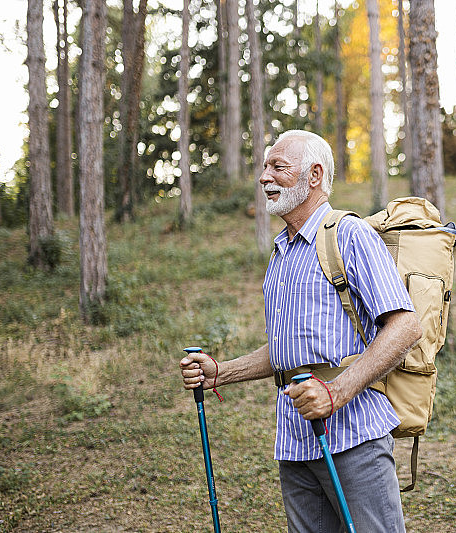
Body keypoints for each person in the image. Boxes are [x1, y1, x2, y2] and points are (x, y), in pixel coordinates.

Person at [179, 130, 422, 532]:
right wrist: (221, 372)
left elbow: (405, 326)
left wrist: (337, 392)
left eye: (277, 167)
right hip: (295, 441)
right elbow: (287, 350)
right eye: (264, 167)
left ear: (314, 175)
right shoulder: (282, 252)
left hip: (353, 436)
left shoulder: (350, 234)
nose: (263, 177)